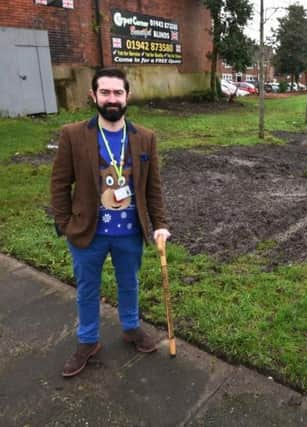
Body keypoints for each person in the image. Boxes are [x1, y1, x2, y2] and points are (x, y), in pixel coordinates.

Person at [50, 68, 171, 377]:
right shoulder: (73, 135)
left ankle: (131, 328)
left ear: (127, 96)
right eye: (105, 92)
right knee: (87, 289)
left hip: (130, 233)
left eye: (118, 93)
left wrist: (160, 223)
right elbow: (60, 183)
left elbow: (152, 188)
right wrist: (64, 223)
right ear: (94, 96)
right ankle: (88, 340)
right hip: (88, 232)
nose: (112, 99)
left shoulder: (145, 138)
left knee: (129, 283)